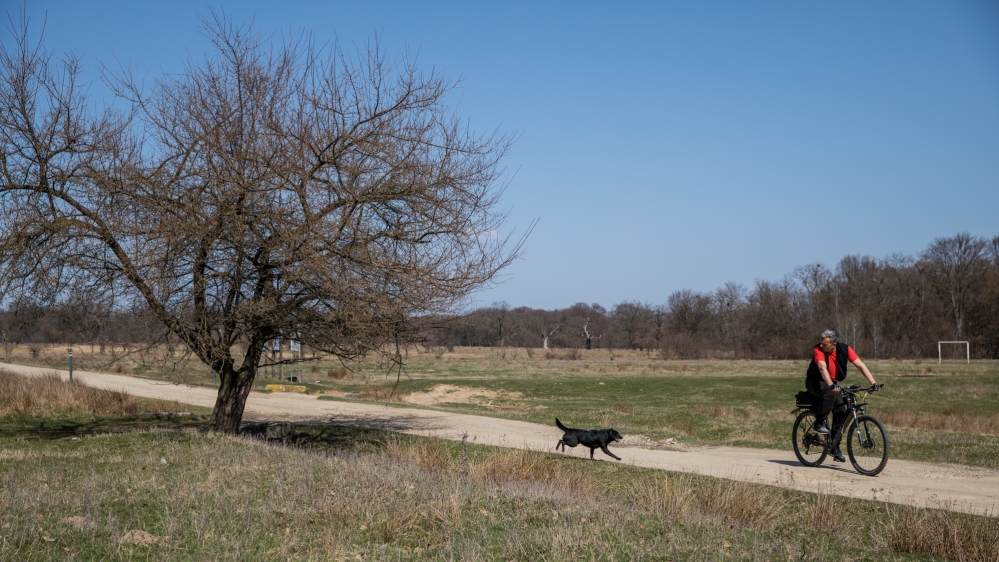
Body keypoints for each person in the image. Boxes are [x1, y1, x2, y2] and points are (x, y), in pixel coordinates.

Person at [805, 329, 879, 462]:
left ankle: (834, 447)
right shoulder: (818, 349)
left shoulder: (845, 349)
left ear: (834, 344)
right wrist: (831, 385)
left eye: (825, 344)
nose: (821, 345)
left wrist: (873, 383)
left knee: (841, 411)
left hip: (831, 382)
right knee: (829, 392)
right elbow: (822, 368)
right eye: (821, 343)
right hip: (815, 381)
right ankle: (819, 422)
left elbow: (860, 365)